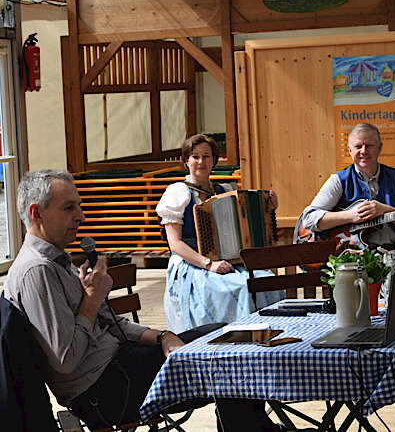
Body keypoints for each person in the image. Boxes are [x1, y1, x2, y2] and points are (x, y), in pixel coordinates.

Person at [3, 169, 304, 432]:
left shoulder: (56, 258)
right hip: (106, 392)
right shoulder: (36, 271)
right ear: (37, 213)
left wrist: (161, 335)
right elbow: (66, 360)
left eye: (79, 206)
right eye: (69, 208)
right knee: (229, 358)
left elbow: (108, 322)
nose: (80, 216)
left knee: (225, 334)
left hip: (121, 367)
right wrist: (92, 299)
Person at [301, 122, 395, 297]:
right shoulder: (338, 180)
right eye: (358, 146)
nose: (364, 151)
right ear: (349, 150)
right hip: (354, 256)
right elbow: (309, 219)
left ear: (379, 148)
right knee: (361, 280)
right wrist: (350, 216)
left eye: (369, 145)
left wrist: (384, 210)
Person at [156, 134, 284, 333]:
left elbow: (249, 229)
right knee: (240, 287)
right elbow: (175, 244)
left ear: (214, 160)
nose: (201, 162)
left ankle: (268, 334)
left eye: (206, 156)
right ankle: (236, 336)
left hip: (228, 261)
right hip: (191, 264)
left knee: (264, 279)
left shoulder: (224, 189)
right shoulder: (177, 192)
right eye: (195, 156)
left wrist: (269, 210)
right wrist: (209, 264)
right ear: (186, 161)